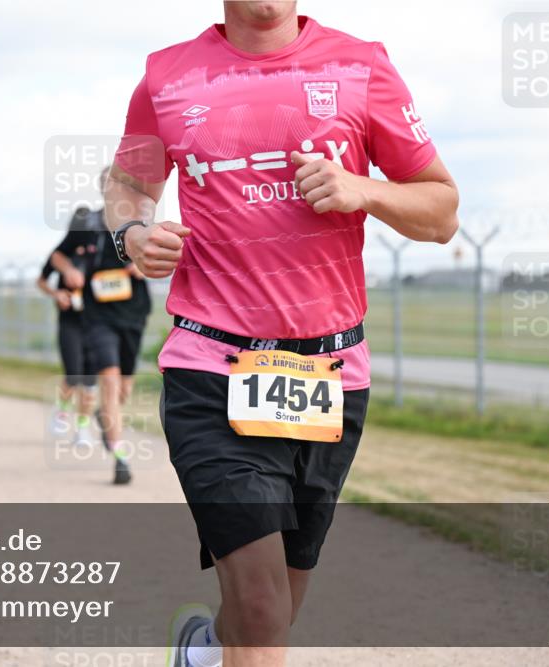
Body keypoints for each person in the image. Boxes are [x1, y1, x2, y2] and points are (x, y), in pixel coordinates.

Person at [104, 3, 460, 665]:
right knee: (265, 607)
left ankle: (203, 651)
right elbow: (129, 181)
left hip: (330, 377)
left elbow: (440, 212)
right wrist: (133, 233)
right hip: (211, 367)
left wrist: (365, 189)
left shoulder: (361, 66)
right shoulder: (168, 77)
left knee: (271, 609)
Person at [51, 168, 151, 486]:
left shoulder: (141, 225)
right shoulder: (87, 224)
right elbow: (57, 256)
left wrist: (143, 266)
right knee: (108, 382)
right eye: (110, 186)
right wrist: (69, 270)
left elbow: (160, 261)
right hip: (98, 318)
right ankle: (120, 457)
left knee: (123, 389)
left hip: (133, 315)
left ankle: (106, 418)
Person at [37, 206, 97, 447]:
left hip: (94, 321)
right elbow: (41, 281)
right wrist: (56, 294)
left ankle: (82, 429)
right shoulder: (62, 254)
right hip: (69, 320)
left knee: (90, 380)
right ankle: (62, 410)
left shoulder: (98, 251)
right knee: (73, 374)